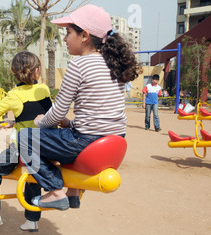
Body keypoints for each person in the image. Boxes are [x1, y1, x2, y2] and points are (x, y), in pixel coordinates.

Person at [18, 5, 141, 219]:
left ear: (84, 35)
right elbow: (101, 115)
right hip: (116, 139)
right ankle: (73, 191)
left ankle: (55, 191)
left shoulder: (79, 65)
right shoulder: (113, 64)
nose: (64, 39)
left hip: (86, 140)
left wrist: (39, 123)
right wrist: (71, 123)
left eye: (68, 33)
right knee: (63, 135)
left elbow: (56, 113)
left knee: (25, 138)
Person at [0, 51, 53, 232]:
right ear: (37, 71)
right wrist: (16, 121)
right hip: (47, 145)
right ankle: (32, 220)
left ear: (14, 72)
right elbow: (40, 115)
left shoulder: (13, 94)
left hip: (25, 146)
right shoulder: (44, 89)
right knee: (31, 177)